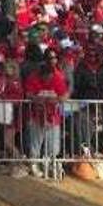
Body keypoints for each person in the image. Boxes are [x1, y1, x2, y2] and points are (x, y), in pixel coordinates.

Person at [24, 49, 69, 177]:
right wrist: (37, 98)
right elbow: (28, 94)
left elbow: (64, 95)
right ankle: (34, 164)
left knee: (53, 146)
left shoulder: (58, 77)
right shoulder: (34, 77)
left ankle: (50, 165)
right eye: (45, 76)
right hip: (36, 116)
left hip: (53, 117)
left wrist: (57, 99)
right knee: (35, 144)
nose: (47, 79)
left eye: (49, 76)